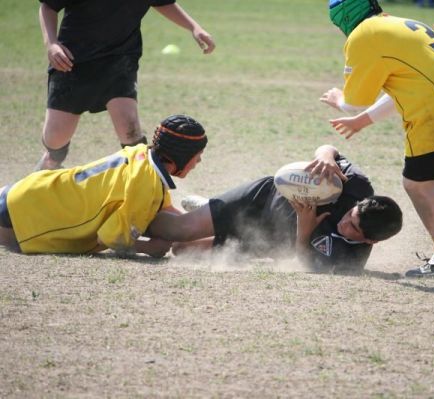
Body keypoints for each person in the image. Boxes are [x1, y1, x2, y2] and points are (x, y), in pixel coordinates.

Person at [321, 0, 434, 279]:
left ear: (342, 19)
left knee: (417, 184)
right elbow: (406, 86)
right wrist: (362, 122)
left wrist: (339, 100)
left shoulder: (363, 35)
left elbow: (356, 100)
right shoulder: (398, 23)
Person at [146, 145, 403, 273]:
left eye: (353, 228)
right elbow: (329, 148)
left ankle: (213, 213)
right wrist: (325, 156)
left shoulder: (351, 259)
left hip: (266, 239)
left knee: (180, 249)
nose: (345, 222)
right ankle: (121, 219)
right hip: (263, 196)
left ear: (369, 240)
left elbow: (305, 262)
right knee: (179, 229)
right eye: (351, 215)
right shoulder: (357, 186)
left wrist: (304, 227)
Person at [36, 0, 215, 170]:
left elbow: (163, 2)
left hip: (120, 58)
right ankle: (53, 158)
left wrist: (194, 27)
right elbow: (48, 7)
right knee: (55, 138)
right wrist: (51, 44)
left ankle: (144, 181)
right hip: (73, 60)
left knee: (130, 129)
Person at [0, 114, 207, 257]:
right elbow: (110, 238)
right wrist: (148, 248)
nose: (199, 162)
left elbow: (165, 210)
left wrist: (207, 225)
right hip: (22, 217)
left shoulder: (142, 157)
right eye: (197, 156)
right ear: (180, 157)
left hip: (28, 192)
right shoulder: (144, 184)